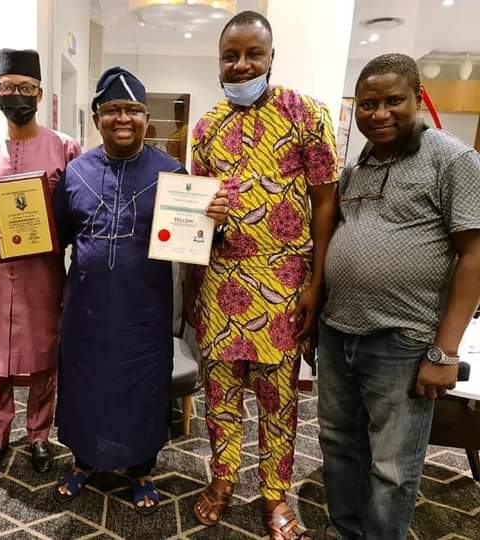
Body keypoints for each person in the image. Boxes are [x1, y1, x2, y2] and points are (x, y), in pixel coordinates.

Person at [49, 66, 229, 515]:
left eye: (132, 110)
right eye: (112, 110)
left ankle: (141, 470)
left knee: (142, 389)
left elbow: (198, 242)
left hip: (143, 311)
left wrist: (215, 222)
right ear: (97, 118)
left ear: (147, 118)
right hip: (87, 312)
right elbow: (55, 237)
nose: (122, 118)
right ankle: (84, 460)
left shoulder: (172, 175)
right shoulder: (75, 173)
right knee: (85, 387)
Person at [188, 11, 338, 538]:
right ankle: (223, 479)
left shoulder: (306, 114)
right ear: (218, 62)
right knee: (221, 395)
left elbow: (325, 203)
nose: (242, 65)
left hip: (284, 286)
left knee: (279, 402)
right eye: (230, 56)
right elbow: (197, 212)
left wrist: (317, 283)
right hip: (222, 284)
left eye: (253, 54)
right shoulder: (206, 128)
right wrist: (194, 281)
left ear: (272, 57)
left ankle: (275, 494)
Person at [318, 53, 480, 540]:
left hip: (403, 340)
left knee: (391, 466)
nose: (380, 113)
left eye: (394, 101)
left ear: (418, 99)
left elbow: (474, 255)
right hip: (338, 332)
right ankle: (345, 531)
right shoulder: (358, 167)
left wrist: (445, 351)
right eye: (368, 104)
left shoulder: (452, 160)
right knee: (338, 445)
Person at [0, 48, 80, 476]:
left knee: (43, 356)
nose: (16, 94)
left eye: (25, 87)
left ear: (39, 92)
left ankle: (38, 435)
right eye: (8, 87)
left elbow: (76, 212)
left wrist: (54, 233)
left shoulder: (64, 147)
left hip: (43, 272)